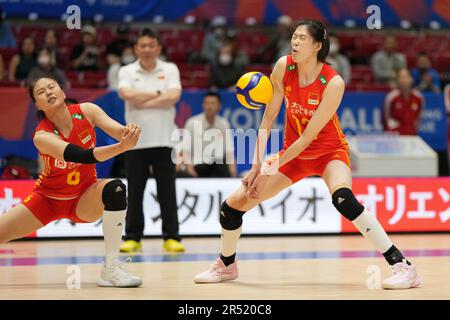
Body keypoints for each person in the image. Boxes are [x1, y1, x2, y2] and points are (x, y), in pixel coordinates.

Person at [193, 20, 421, 290]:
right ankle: (226, 265)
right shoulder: (283, 67)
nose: (295, 42)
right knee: (232, 207)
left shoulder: (333, 82)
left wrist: (269, 168)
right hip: (294, 156)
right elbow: (268, 118)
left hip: (328, 152)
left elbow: (308, 137)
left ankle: (403, 266)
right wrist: (256, 166)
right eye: (294, 36)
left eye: (302, 38)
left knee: (343, 199)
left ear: (317, 45)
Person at [0, 75, 142, 287]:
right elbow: (83, 156)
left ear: (63, 91)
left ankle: (111, 269)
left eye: (51, 87)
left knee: (116, 188)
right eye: (41, 92)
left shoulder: (88, 111)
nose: (48, 92)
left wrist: (129, 132)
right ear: (37, 105)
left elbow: (119, 132)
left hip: (84, 197)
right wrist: (121, 147)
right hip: (47, 199)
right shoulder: (42, 136)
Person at [117, 28, 184, 253]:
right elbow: (126, 94)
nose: (146, 50)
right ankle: (133, 237)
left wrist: (142, 98)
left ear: (158, 48)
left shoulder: (170, 68)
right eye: (142, 46)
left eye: (151, 45)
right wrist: (159, 94)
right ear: (136, 48)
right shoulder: (127, 70)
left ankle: (171, 237)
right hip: (135, 141)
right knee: (135, 191)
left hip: (165, 140)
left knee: (167, 190)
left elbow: (173, 96)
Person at [182, 91, 237, 178]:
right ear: (203, 105)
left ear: (219, 106)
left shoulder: (224, 124)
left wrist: (233, 173)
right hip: (198, 165)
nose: (209, 106)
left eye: (213, 103)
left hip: (218, 166)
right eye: (206, 103)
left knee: (221, 164)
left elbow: (229, 151)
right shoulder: (192, 123)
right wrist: (190, 170)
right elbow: (185, 151)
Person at [382, 68, 424, 135]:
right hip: (394, 135)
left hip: (411, 135)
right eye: (401, 77)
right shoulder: (391, 97)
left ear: (411, 79)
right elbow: (386, 118)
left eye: (406, 77)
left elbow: (418, 118)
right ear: (397, 80)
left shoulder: (418, 98)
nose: (404, 80)